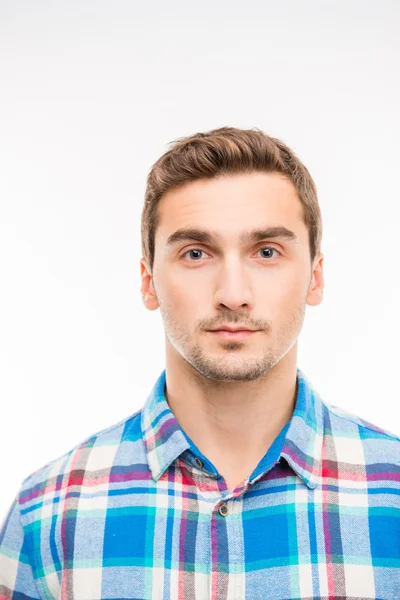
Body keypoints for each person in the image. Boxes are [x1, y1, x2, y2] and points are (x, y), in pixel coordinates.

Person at [1, 126, 399, 600]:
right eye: (196, 253)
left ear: (315, 277)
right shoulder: (47, 516)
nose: (233, 294)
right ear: (149, 281)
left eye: (267, 252)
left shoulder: (392, 497)